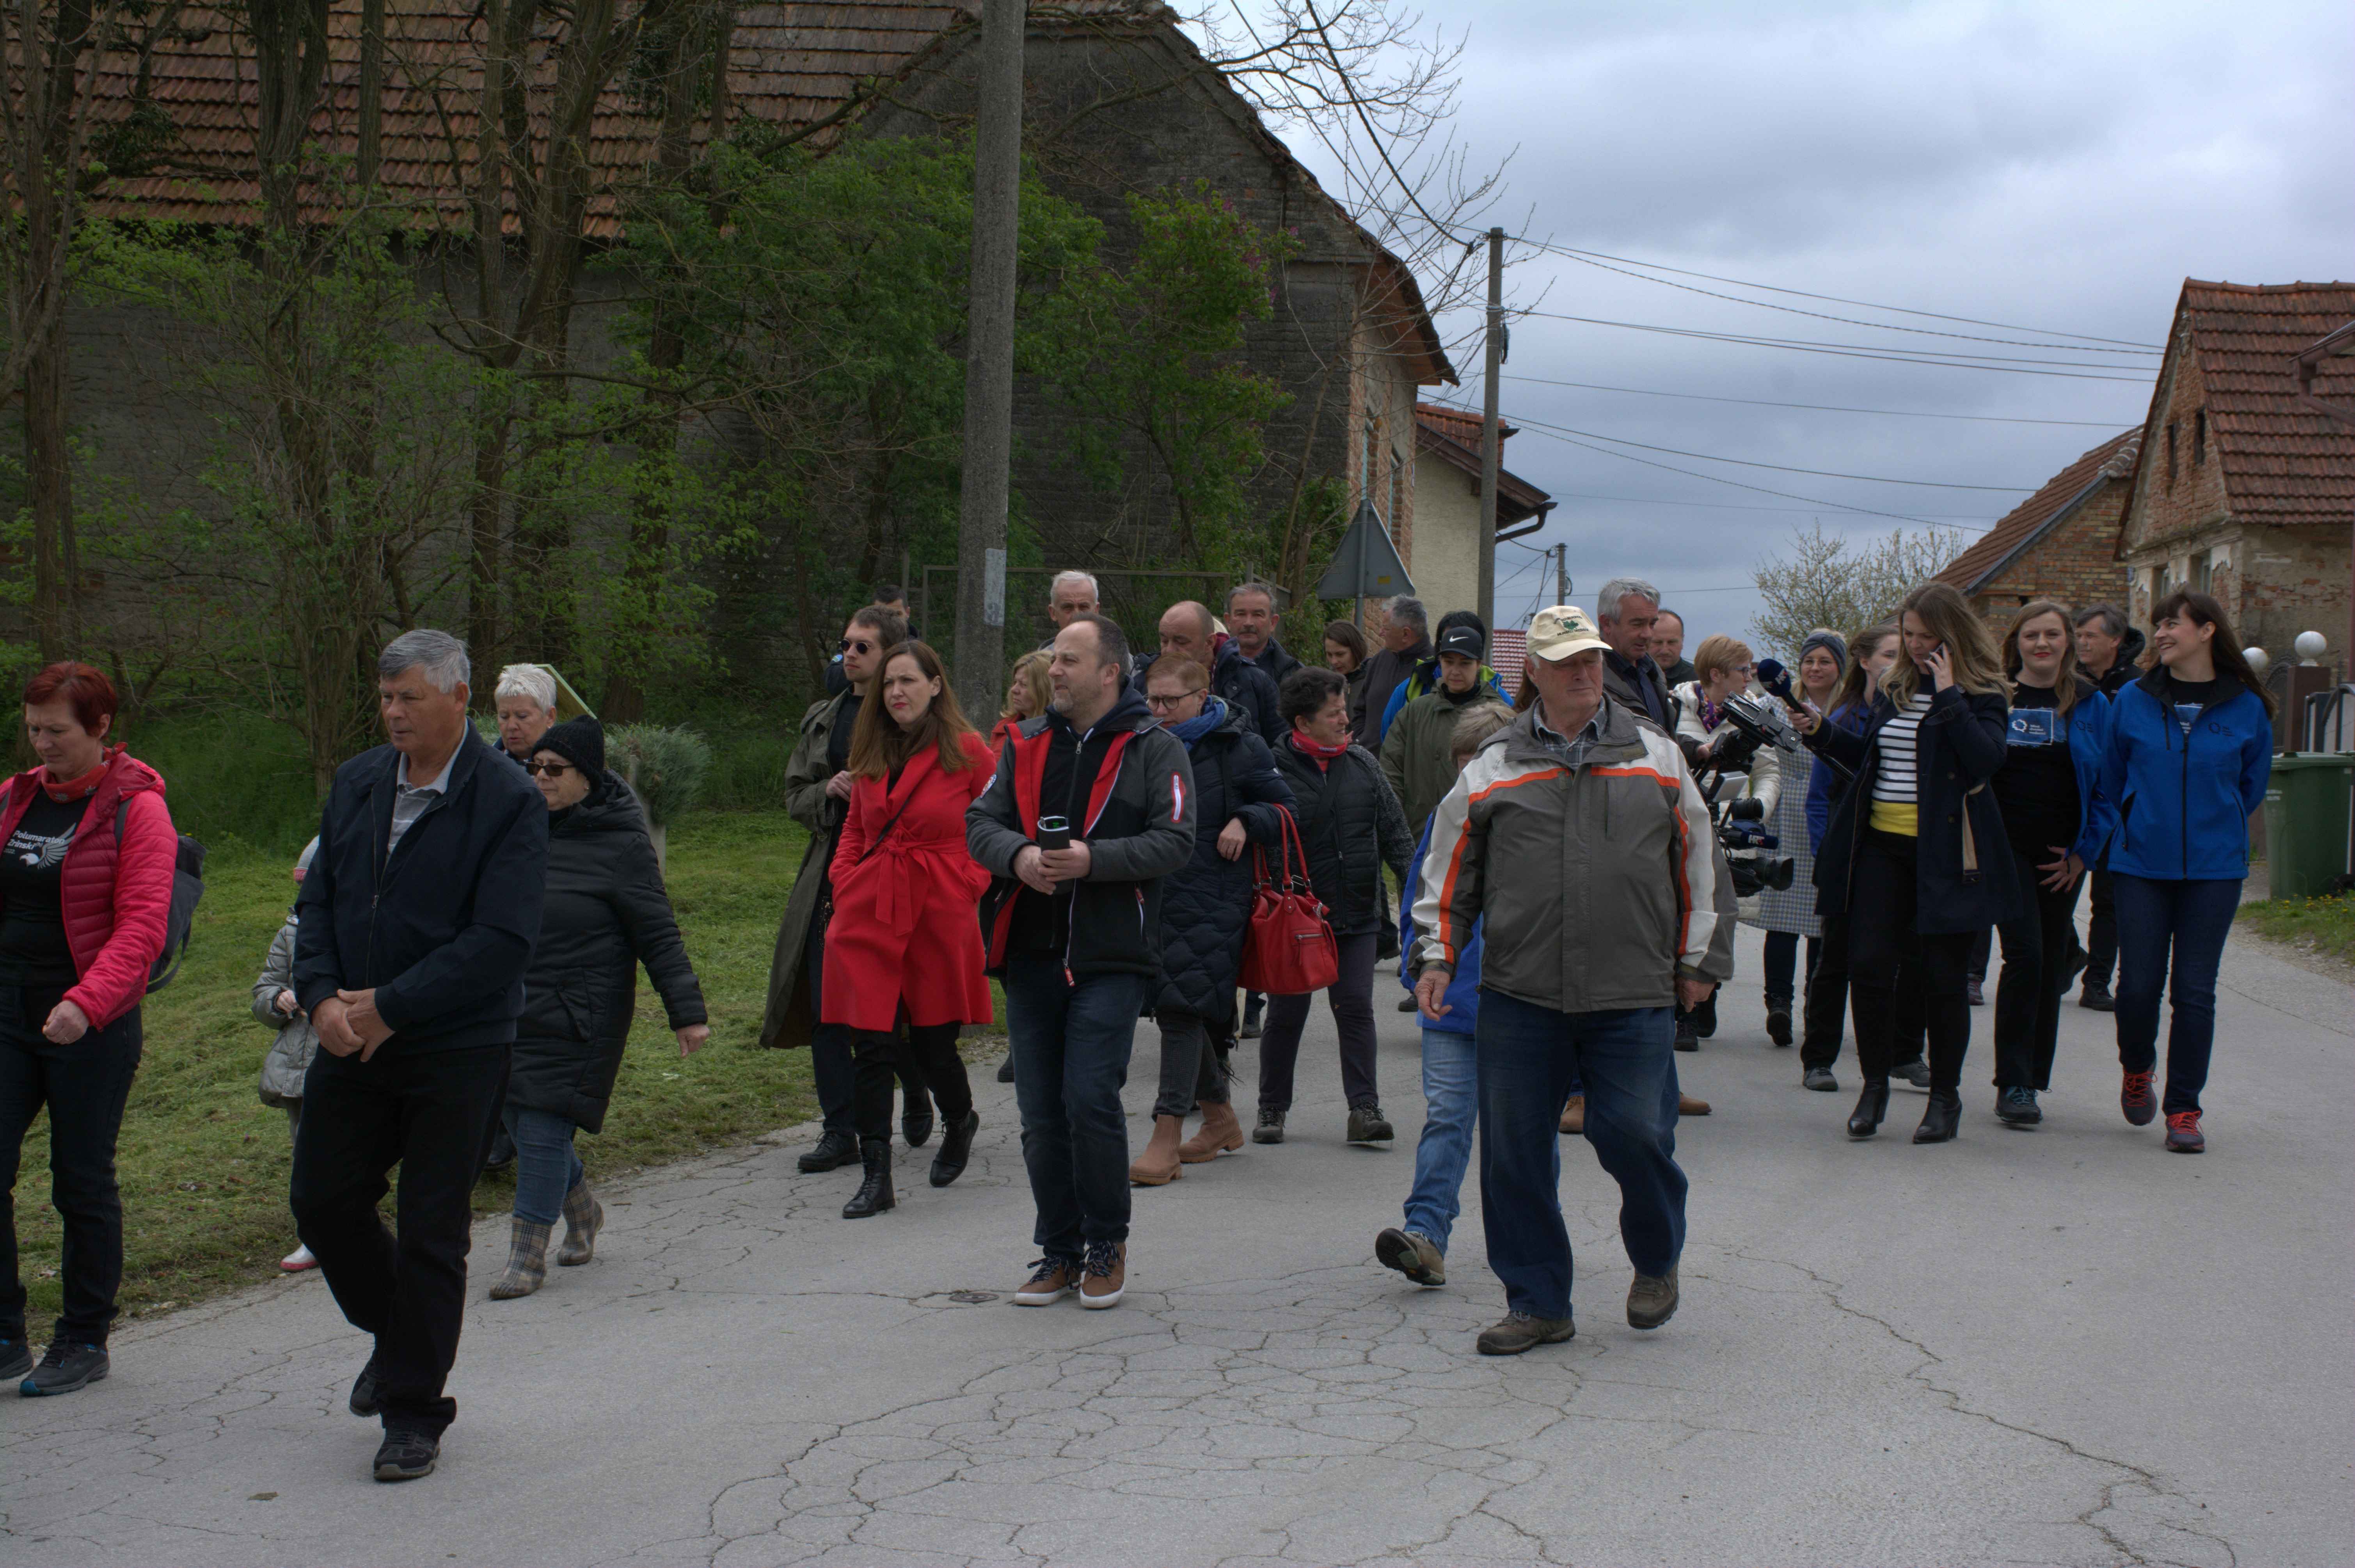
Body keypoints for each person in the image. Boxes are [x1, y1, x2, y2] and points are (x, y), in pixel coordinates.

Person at [1411, 604, 1732, 1355]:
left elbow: (1700, 867)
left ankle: (1656, 1258)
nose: (1585, 672)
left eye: (1590, 657)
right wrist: (1436, 955)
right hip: (1522, 994)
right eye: (1566, 662)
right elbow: (1447, 874)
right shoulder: (1494, 765)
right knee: (1515, 1154)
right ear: (1537, 674)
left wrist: (1700, 965)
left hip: (1633, 992)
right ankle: (1537, 1301)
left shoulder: (1655, 756)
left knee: (1637, 1134)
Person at [289, 630, 547, 1482]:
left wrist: (395, 1007)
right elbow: (319, 903)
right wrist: (325, 995)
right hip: (351, 1033)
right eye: (386, 697)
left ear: (459, 698)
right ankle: (402, 1340)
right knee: (324, 1204)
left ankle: (414, 1411)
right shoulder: (360, 781)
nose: (394, 713)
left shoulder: (507, 797)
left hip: (458, 1045)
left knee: (434, 1230)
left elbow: (502, 940)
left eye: (411, 698)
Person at [967, 612, 1194, 1310]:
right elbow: (981, 825)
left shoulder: (1155, 749)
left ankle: (1106, 1240)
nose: (1053, 670)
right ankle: (1058, 1251)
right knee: (1039, 1113)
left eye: (1068, 659)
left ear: (1108, 672)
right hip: (1033, 953)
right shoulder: (1026, 744)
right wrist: (1022, 857)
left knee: (1088, 1099)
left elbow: (1177, 841)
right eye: (1052, 659)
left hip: (1111, 956)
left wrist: (1096, 861)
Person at [0, 664, 178, 1398]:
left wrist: (87, 1002)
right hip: (7, 1012)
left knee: (80, 1180)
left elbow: (142, 927)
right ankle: (6, 1334)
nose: (44, 745)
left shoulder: (139, 811)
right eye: (34, 729)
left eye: (59, 732)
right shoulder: (13, 799)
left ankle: (82, 1338)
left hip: (90, 1020)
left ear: (101, 728)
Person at [1794, 583, 2018, 1146]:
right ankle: (1874, 1087)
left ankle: (1946, 1097)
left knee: (1942, 981)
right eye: (1909, 636)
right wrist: (1822, 734)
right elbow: (1869, 761)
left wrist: (1948, 697)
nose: (1915, 648)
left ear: (1953, 636)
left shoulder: (1982, 692)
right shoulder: (1892, 689)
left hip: (1944, 856)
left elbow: (1986, 761)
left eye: (1925, 638)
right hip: (1879, 849)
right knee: (1868, 968)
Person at [492, 718, 707, 1298]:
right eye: (534, 768)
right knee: (515, 1114)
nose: (540, 778)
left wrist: (685, 1011)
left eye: (554, 770)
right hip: (513, 1002)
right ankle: (583, 1210)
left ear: (587, 778)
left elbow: (658, 933)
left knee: (540, 1126)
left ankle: (526, 1254)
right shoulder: (518, 829)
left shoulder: (621, 843)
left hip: (580, 1011)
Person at [820, 641, 996, 1216]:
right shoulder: (869, 745)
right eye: (889, 683)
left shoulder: (968, 751)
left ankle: (959, 1117)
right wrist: (844, 880)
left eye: (908, 681)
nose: (896, 692)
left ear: (935, 685)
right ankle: (878, 1176)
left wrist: (969, 882)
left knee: (932, 1042)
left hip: (937, 909)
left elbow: (999, 826)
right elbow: (855, 828)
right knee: (869, 1042)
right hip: (870, 905)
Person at [760, 605, 936, 1167]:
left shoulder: (910, 720)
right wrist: (829, 792)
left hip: (895, 876)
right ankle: (842, 1130)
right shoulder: (823, 716)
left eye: (864, 647)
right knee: (826, 1001)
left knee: (890, 1002)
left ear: (892, 655)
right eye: (846, 645)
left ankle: (914, 1084)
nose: (851, 655)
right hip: (830, 869)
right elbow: (794, 795)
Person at [2097, 591, 2273, 1154]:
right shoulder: (2131, 699)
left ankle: (2185, 1109)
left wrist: (2215, 832)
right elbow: (2111, 775)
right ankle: (2137, 1067)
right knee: (2138, 986)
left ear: (2206, 632)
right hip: (2140, 864)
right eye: (2160, 625)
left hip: (2214, 871)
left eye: (2173, 624)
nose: (2163, 634)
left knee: (2195, 991)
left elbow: (2250, 786)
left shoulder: (2247, 706)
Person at [1128, 656, 1295, 1185]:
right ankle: (1220, 1118)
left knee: (1180, 1007)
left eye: (1169, 702)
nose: (1158, 711)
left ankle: (1166, 1135)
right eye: (1151, 700)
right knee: (1175, 1001)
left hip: (1214, 894)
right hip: (1151, 892)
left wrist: (1246, 820)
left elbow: (1287, 809)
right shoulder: (1141, 743)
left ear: (1202, 697)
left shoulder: (1239, 746)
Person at [1373, 703, 1523, 1291]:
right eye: (1461, 771)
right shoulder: (1444, 821)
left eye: (1480, 769)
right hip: (1454, 1001)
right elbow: (1418, 904)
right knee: (1447, 1120)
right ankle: (1426, 1235)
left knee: (1521, 1135)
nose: (1470, 785)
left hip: (1523, 1003)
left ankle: (1537, 1235)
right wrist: (1419, 971)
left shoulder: (1536, 817)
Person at [1254, 666, 1415, 1148]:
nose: (1346, 718)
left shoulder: (1364, 764)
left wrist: (1416, 894)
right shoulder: (1272, 771)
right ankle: (1273, 1108)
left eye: (1345, 708)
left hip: (1359, 911)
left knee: (1357, 1009)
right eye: (1335, 711)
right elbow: (1260, 836)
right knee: (1286, 1014)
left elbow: (1397, 836)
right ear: (1303, 723)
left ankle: (1365, 1109)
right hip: (1299, 916)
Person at [1986, 603, 2115, 1128]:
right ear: (2016, 642)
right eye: (2032, 635)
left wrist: (2085, 854)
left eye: (2053, 635)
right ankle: (2012, 1081)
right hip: (2003, 849)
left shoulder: (2091, 703)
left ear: (2069, 643)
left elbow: (2109, 783)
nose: (2042, 644)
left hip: (2061, 858)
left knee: (2045, 969)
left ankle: (2032, 1080)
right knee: (2028, 956)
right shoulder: (1994, 697)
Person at [1796, 627, 1929, 1093]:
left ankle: (1906, 1052)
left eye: (1903, 653)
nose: (1899, 661)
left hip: (1900, 853)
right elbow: (1817, 800)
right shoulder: (1847, 717)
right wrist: (1825, 855)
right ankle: (1819, 1058)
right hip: (1849, 852)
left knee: (1912, 957)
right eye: (1889, 654)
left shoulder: (1913, 711)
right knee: (1835, 958)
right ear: (1865, 661)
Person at [1669, 634, 1779, 1048]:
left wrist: (1757, 810)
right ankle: (1683, 1013)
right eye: (1743, 671)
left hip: (1726, 826)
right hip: (1680, 825)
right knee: (1682, 913)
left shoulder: (1753, 713)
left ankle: (1706, 992)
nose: (1750, 678)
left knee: (1718, 915)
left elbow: (1769, 771)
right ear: (1716, 674)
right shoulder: (1675, 707)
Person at [1748, 631, 1842, 1052]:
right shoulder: (1777, 705)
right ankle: (1779, 1005)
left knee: (1824, 921)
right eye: (1809, 661)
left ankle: (1815, 1006)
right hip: (1788, 812)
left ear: (1840, 667)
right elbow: (1768, 743)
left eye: (1825, 661)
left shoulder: (1849, 710)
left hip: (1829, 813)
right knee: (1782, 917)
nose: (1815, 668)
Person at [2071, 603, 2145, 1012]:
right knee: (2051, 889)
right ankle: (2067, 955)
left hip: (2119, 807)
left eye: (2091, 636)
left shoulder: (2139, 687)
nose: (2082, 643)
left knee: (2109, 902)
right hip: (2073, 802)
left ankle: (2097, 982)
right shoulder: (2067, 681)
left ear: (2115, 641)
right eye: (2078, 635)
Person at [254, 838, 323, 1274]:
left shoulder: (360, 928)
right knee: (307, 1154)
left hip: (350, 1056)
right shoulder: (289, 935)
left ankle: (359, 1228)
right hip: (300, 1065)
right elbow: (262, 990)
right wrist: (276, 999)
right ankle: (313, 1237)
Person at [1382, 619, 1512, 833]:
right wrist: (1396, 822)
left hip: (1477, 835)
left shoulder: (1499, 716)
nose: (1455, 671)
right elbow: (1391, 767)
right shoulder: (1414, 712)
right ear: (1439, 662)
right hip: (1419, 834)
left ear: (1479, 665)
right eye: (1449, 662)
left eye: (1465, 663)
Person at [1147, 600, 1283, 744]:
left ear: (1210, 642)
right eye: (1164, 641)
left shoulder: (1254, 681)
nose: (1169, 650)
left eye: (1181, 642)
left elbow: (1279, 746)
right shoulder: (1144, 678)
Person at [1372, 609, 1511, 746]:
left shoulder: (1499, 698)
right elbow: (1390, 745)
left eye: (1465, 658)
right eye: (1450, 642)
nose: (1456, 670)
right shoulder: (1409, 690)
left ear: (1479, 658)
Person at [1595, 578, 1675, 734]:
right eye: (1637, 624)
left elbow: (1658, 738)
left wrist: (1696, 749)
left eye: (1652, 624)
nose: (1648, 634)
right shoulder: (1588, 682)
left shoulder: (1652, 672)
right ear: (1607, 623)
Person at [1355, 596, 1433, 746]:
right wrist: (1362, 740)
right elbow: (1360, 710)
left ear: (1406, 634)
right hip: (1371, 762)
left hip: (1409, 767)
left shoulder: (1434, 667)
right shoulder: (1379, 661)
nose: (1380, 632)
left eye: (1386, 628)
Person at [825, 586, 919, 696]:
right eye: (880, 614)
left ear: (907, 612)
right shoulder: (855, 641)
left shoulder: (917, 653)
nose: (851, 653)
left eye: (897, 615)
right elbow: (833, 681)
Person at [1225, 582, 1301, 687]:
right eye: (1241, 614)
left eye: (1257, 615)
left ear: (1273, 623)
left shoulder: (1295, 676)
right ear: (1228, 621)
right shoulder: (1211, 667)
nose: (1248, 623)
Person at [493, 664, 559, 764]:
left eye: (522, 716)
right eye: (504, 717)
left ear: (550, 717)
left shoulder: (568, 767)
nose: (511, 726)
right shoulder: (483, 763)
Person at [991, 649, 1052, 754]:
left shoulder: (1060, 734)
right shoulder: (1003, 728)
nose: (1014, 690)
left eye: (1024, 685)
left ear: (1044, 690)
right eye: (1015, 682)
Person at [1652, 609, 1697, 688]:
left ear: (1682, 641)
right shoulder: (1632, 677)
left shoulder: (1699, 681)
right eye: (1658, 642)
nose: (1665, 651)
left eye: (1671, 642)